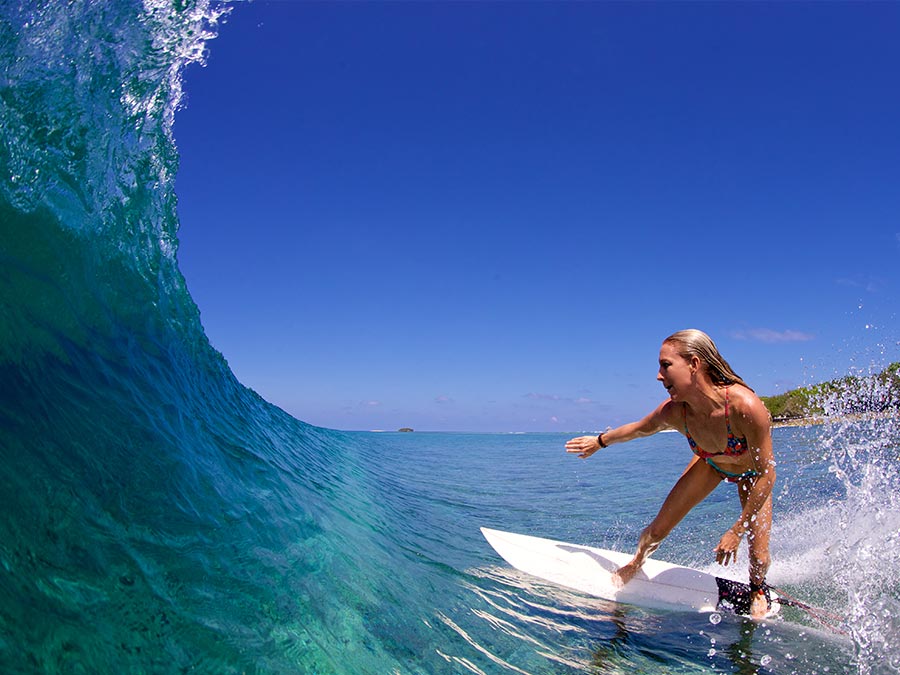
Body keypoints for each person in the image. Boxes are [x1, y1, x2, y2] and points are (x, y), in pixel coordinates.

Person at [565, 329, 776, 619]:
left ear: (694, 364)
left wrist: (736, 530)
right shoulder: (675, 412)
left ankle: (757, 588)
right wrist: (600, 442)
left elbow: (767, 474)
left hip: (753, 475)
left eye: (665, 365)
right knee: (656, 531)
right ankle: (637, 562)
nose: (658, 376)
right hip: (711, 464)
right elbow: (638, 429)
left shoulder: (745, 408)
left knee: (759, 557)